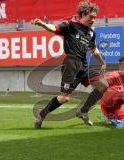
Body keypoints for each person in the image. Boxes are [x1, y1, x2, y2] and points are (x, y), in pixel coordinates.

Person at [33, 0, 109, 129]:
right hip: (71, 63)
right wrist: (43, 24)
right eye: (91, 17)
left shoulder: (91, 32)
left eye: (95, 17)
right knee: (64, 98)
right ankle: (41, 114)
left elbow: (94, 49)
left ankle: (83, 111)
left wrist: (102, 62)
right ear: (83, 14)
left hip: (84, 65)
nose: (94, 20)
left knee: (103, 85)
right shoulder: (71, 25)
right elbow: (54, 28)